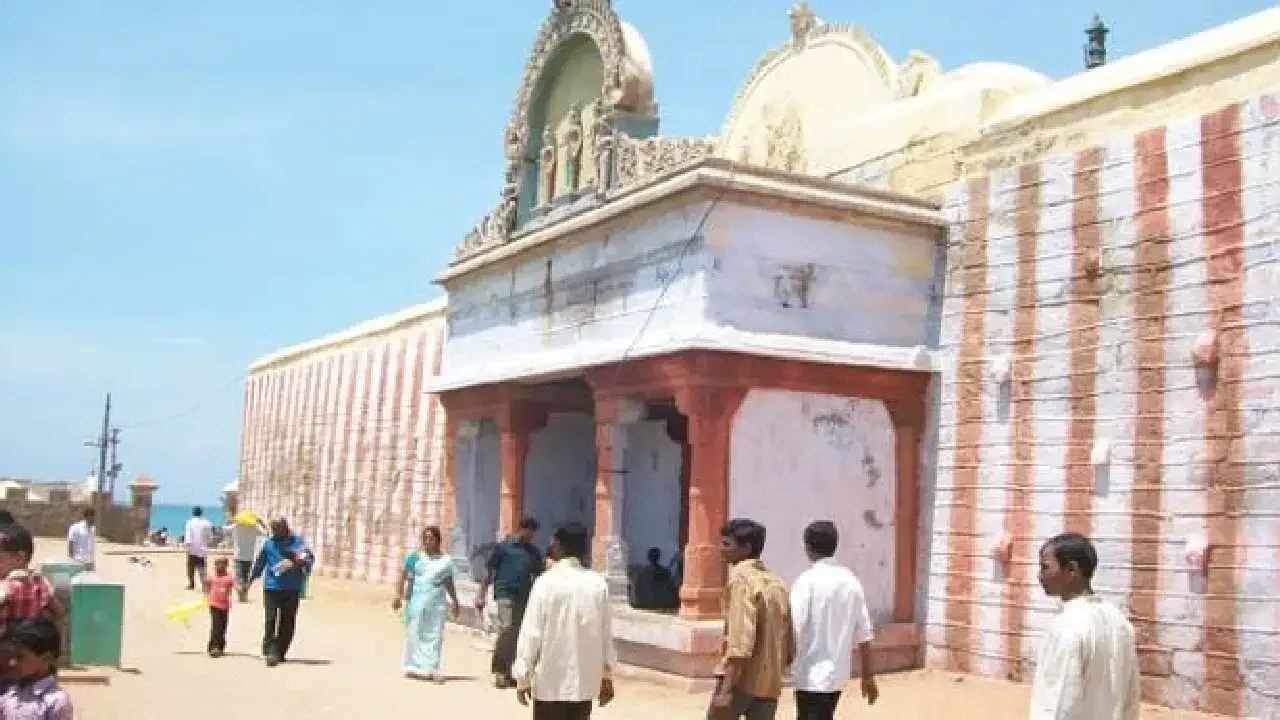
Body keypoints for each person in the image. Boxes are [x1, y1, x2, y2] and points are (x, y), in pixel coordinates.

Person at [1030, 532, 1140, 720]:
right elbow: (1131, 699)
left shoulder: (1067, 626)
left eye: (1045, 568)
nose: (1040, 576)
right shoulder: (1120, 623)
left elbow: (1059, 702)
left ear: (1072, 570)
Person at [512, 522, 616, 720]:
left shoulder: (545, 583)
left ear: (559, 546)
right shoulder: (597, 585)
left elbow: (531, 633)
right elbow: (605, 636)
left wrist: (523, 675)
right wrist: (607, 676)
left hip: (550, 684)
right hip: (583, 686)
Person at [789, 521, 878, 720]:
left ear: (808, 547)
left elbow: (793, 626)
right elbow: (864, 634)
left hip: (810, 675)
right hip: (837, 677)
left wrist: (782, 663)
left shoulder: (806, 581)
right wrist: (868, 676)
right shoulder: (850, 581)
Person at [709, 518, 793, 720]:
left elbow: (740, 643)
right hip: (769, 684)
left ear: (745, 548)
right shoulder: (777, 584)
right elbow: (790, 645)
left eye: (727, 544)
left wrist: (726, 689)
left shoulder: (741, 580)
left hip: (740, 682)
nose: (721, 550)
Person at [476, 517, 543, 689]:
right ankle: (499, 670)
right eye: (528, 531)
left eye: (533, 533)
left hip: (524, 595)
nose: (530, 535)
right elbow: (489, 570)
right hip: (504, 592)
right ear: (521, 528)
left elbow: (540, 574)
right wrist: (481, 594)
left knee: (518, 634)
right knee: (506, 628)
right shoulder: (504, 548)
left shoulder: (533, 552)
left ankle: (509, 671)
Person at [0, 526, 66, 694]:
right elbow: (59, 613)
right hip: (31, 664)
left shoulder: (6, 588)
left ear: (19, 557)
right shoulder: (40, 582)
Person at [392, 526, 460, 682]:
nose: (427, 541)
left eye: (431, 538)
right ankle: (411, 665)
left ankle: (431, 668)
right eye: (425, 538)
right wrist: (398, 595)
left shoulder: (445, 561)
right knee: (414, 633)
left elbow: (448, 581)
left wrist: (455, 601)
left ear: (438, 541)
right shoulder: (414, 557)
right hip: (416, 601)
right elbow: (403, 576)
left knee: (434, 635)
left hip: (436, 603)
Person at [247, 518, 313, 667]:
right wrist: (250, 580)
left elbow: (309, 559)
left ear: (285, 528)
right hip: (271, 587)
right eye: (273, 529)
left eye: (278, 529)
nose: (275, 532)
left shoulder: (298, 542)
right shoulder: (269, 543)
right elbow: (260, 562)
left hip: (292, 587)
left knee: (287, 621)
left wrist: (296, 562)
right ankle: (270, 649)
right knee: (270, 619)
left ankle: (279, 652)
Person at [0, 618, 73, 719]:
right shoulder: (10, 695)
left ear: (46, 659)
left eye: (20, 657)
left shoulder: (56, 701)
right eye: (13, 656)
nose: (13, 662)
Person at [231, 514, 268, 602]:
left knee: (239, 576)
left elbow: (225, 528)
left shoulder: (236, 527)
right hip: (249, 556)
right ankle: (244, 595)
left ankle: (241, 593)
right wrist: (261, 523)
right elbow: (266, 533)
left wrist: (234, 520)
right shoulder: (254, 528)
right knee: (246, 577)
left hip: (238, 555)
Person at [206, 557, 235, 658]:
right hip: (214, 605)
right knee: (216, 626)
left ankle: (220, 646)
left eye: (222, 564)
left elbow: (234, 586)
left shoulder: (229, 578)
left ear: (226, 565)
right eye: (217, 564)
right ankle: (213, 647)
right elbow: (207, 586)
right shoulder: (212, 577)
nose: (219, 567)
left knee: (223, 627)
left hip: (225, 606)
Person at [183, 507, 214, 591]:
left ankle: (191, 584)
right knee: (202, 567)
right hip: (202, 549)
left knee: (190, 567)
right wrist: (207, 543)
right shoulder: (207, 523)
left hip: (192, 548)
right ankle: (204, 585)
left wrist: (187, 546)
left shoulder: (189, 522)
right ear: (201, 513)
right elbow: (210, 537)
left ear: (193, 513)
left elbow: (188, 536)